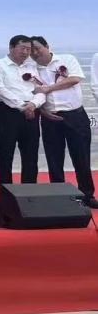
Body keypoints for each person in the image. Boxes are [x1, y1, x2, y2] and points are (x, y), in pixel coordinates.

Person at [30, 36, 98, 208]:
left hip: (75, 115)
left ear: (47, 46)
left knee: (81, 157)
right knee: (54, 159)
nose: (35, 53)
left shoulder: (67, 59)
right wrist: (42, 111)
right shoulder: (32, 69)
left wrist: (49, 88)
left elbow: (74, 79)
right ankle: (59, 196)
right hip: (49, 117)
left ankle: (87, 195)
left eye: (38, 48)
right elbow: (33, 93)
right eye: (31, 50)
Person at [0, 34, 44, 197]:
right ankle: (6, 196)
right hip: (7, 112)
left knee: (31, 154)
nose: (26, 52)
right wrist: (22, 106)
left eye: (28, 49)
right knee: (5, 154)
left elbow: (41, 89)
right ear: (11, 47)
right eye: (22, 48)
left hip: (31, 112)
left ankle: (29, 194)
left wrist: (34, 104)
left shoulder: (32, 67)